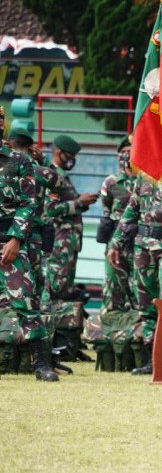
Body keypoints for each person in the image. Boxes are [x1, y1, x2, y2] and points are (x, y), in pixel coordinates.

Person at [107, 159, 162, 375]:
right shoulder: (144, 170)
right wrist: (115, 242)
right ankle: (152, 359)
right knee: (145, 304)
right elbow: (132, 207)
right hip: (142, 245)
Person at [0, 129, 58, 381]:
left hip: (9, 241)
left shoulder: (19, 160)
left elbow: (29, 202)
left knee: (25, 300)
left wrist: (16, 238)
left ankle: (42, 364)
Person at [45, 135, 98, 301]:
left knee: (65, 288)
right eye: (70, 156)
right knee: (55, 287)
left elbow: (69, 205)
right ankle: (46, 321)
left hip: (70, 242)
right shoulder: (51, 175)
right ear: (59, 153)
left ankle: (60, 324)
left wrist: (83, 201)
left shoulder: (63, 177)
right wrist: (78, 202)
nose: (72, 161)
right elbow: (50, 210)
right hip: (59, 240)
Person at [7, 129, 57, 300]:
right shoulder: (42, 172)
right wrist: (43, 160)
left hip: (8, 234)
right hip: (34, 235)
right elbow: (60, 183)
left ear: (9, 144)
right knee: (34, 284)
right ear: (30, 147)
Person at [98, 135, 137, 312]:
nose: (127, 155)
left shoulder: (147, 181)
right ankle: (112, 325)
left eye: (131, 151)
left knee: (138, 288)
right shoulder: (111, 182)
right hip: (116, 242)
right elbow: (106, 208)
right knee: (114, 285)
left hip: (138, 241)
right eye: (124, 152)